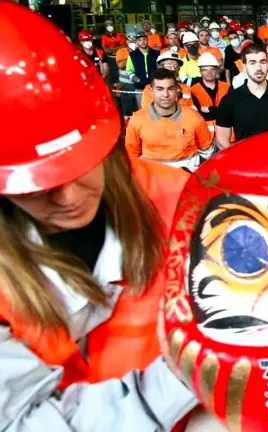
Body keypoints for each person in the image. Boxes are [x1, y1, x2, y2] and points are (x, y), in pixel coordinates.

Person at [0, 3, 197, 429]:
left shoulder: (183, 199)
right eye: (37, 186)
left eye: (80, 165)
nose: (69, 197)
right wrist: (197, 371)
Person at [125, 69, 213, 171]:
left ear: (177, 90)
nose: (165, 94)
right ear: (151, 90)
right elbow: (131, 155)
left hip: (187, 180)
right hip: (152, 181)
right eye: (160, 89)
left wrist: (192, 172)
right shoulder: (137, 120)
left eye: (170, 89)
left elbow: (207, 152)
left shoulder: (194, 117)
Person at [215, 42, 268, 148]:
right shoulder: (229, 101)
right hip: (245, 163)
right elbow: (221, 141)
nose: (258, 68)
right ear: (244, 66)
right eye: (252, 63)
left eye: (262, 62)